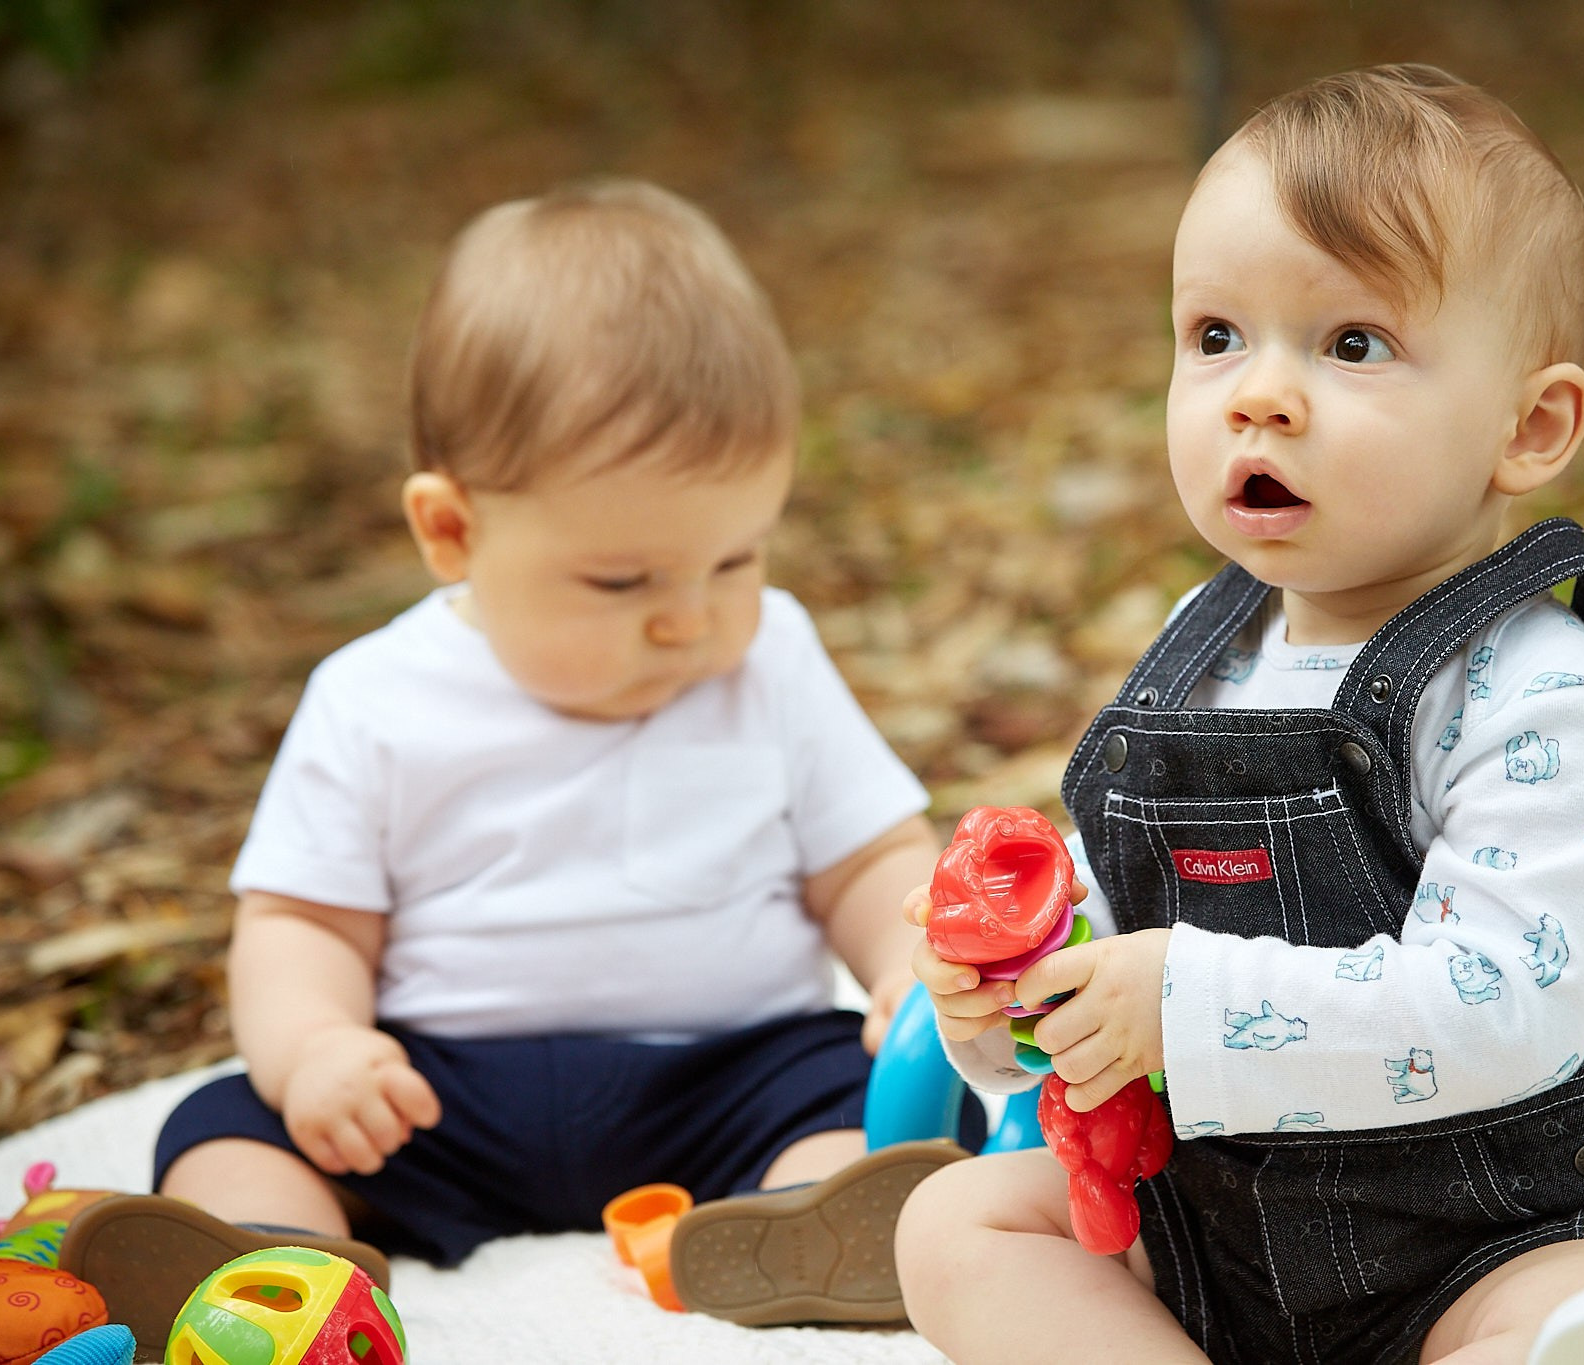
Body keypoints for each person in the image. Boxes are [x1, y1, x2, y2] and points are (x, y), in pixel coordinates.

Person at [895, 65, 1584, 1365]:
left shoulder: (1540, 693)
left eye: (1352, 345)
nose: (1259, 393)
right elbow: (1121, 933)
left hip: (1499, 1229)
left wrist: (1180, 1001)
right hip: (1217, 1228)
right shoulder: (1205, 658)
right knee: (960, 1225)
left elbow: (1501, 1007)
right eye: (1216, 337)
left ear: (1529, 426)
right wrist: (1018, 992)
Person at [61, 179, 963, 1347]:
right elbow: (299, 922)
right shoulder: (373, 700)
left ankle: (807, 1227)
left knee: (851, 1104)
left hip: (724, 1076)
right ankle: (272, 1263)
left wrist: (903, 963)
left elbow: (867, 858)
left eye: (734, 558)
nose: (692, 619)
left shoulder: (773, 657)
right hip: (438, 1097)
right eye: (624, 581)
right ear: (453, 532)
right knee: (229, 1121)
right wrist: (322, 1052)